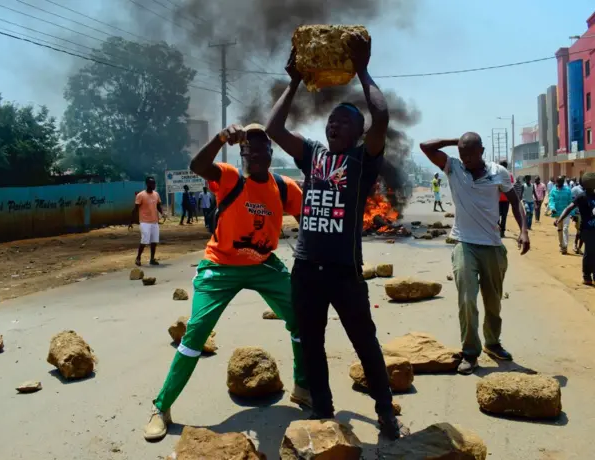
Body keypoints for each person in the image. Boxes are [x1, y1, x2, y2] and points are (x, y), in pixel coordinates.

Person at [266, 34, 409, 440]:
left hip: (345, 271)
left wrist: (362, 69)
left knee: (365, 343)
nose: (333, 124)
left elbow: (381, 117)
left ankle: (384, 411)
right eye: (331, 120)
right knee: (312, 343)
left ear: (357, 131)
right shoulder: (313, 154)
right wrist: (293, 81)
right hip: (307, 267)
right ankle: (324, 409)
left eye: (343, 120)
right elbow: (274, 127)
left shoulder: (364, 159)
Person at [143, 123, 311, 442]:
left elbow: (308, 224)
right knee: (196, 334)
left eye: (263, 148)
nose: (257, 154)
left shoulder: (285, 187)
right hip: (220, 266)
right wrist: (220, 137)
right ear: (242, 152)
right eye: (250, 148)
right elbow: (197, 166)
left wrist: (311, 262)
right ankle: (161, 407)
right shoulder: (229, 177)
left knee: (300, 320)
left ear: (271, 153)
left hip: (263, 264)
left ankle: (302, 388)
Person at [419, 133, 530, 375]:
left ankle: (493, 343)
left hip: (492, 246)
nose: (466, 159)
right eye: (462, 154)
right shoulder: (453, 167)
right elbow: (424, 146)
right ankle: (470, 352)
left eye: (470, 154)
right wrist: (454, 141)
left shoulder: (497, 172)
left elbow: (514, 201)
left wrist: (523, 231)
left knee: (493, 301)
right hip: (464, 243)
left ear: (482, 150)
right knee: (467, 298)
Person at [556, 172, 595, 285]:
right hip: (587, 229)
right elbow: (569, 208)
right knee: (589, 252)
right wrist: (560, 219)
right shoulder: (582, 196)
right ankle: (586, 275)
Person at [130, 177, 164, 266]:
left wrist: (162, 213)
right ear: (147, 184)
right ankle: (138, 258)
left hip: (154, 221)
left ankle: (152, 259)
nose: (154, 185)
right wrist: (131, 221)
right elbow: (135, 209)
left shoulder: (156, 194)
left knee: (154, 241)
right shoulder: (141, 195)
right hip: (144, 222)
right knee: (144, 240)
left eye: (154, 184)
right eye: (152, 184)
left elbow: (158, 206)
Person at [549, 176, 573, 255]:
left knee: (565, 228)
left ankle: (564, 246)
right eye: (558, 182)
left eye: (561, 182)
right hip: (557, 213)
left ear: (563, 182)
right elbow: (551, 200)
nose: (560, 184)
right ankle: (561, 244)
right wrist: (552, 208)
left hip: (566, 213)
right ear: (556, 182)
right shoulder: (553, 191)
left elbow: (571, 202)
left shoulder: (568, 190)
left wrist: (572, 213)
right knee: (560, 230)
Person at [498, 160, 513, 238]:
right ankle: (502, 231)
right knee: (504, 216)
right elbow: (511, 188)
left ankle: (498, 230)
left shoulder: (496, 174)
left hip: (497, 199)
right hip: (506, 199)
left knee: (497, 216)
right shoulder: (510, 175)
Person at [571, 177, 585, 254]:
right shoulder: (575, 189)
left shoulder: (589, 189)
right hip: (578, 213)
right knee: (580, 231)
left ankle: (578, 247)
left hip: (587, 214)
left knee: (583, 231)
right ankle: (576, 245)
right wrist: (573, 214)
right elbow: (571, 202)